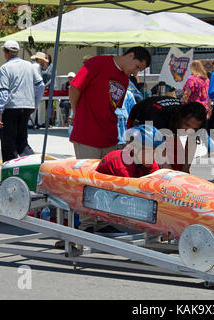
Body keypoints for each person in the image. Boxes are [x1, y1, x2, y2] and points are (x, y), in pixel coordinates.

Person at [68, 46, 151, 234]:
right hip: (87, 133)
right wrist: (76, 112)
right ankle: (88, 224)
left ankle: (102, 220)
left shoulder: (123, 77)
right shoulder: (97, 63)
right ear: (130, 55)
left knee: (108, 180)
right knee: (87, 180)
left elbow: (112, 106)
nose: (135, 72)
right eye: (137, 66)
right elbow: (75, 87)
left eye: (139, 70)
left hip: (109, 134)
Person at [127, 97, 207, 173]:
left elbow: (191, 144)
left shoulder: (193, 123)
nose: (188, 131)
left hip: (168, 123)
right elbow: (159, 152)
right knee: (146, 163)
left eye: (194, 129)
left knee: (177, 165)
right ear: (180, 118)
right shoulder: (158, 118)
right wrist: (170, 175)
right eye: (187, 125)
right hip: (143, 116)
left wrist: (184, 172)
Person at [0, 40, 45, 162]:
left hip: (11, 107)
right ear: (17, 52)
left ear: (6, 53)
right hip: (27, 106)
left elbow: (4, 92)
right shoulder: (29, 65)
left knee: (8, 142)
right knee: (22, 141)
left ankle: (10, 173)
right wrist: (35, 103)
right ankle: (33, 167)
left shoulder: (5, 68)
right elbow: (40, 85)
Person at [96, 124, 164, 178]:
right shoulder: (123, 168)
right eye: (147, 152)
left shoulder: (149, 160)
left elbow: (156, 180)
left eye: (154, 152)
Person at [30, 52, 52, 128]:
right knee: (36, 104)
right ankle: (35, 122)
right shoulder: (36, 66)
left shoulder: (35, 66)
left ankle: (34, 122)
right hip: (35, 88)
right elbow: (37, 79)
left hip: (34, 88)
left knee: (37, 104)